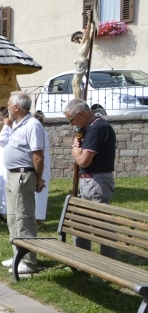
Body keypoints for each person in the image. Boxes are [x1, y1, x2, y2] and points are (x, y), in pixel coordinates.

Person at [65, 99, 118, 259]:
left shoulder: (97, 129)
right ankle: (83, 259)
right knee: (80, 221)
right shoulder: (90, 128)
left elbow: (83, 161)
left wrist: (76, 152)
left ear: (80, 113)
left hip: (97, 181)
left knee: (102, 225)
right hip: (90, 180)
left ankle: (109, 264)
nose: (71, 124)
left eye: (71, 120)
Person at [2, 92, 46, 275]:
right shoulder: (18, 125)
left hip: (23, 176)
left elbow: (37, 155)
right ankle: (18, 255)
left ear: (17, 107)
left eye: (9, 104)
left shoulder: (32, 125)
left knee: (24, 217)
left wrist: (37, 178)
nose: (7, 108)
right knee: (13, 217)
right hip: (13, 176)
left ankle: (28, 262)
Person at [33, 111, 51, 223]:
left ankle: (37, 219)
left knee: (39, 196)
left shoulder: (41, 134)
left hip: (41, 168)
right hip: (38, 167)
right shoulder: (42, 133)